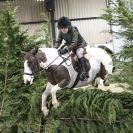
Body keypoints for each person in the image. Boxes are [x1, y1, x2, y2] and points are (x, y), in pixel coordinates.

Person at [54, 16, 88, 81]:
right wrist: (55, 49)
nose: (63, 30)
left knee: (79, 53)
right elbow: (58, 41)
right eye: (61, 28)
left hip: (79, 44)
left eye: (65, 28)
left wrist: (66, 49)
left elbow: (74, 43)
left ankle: (84, 72)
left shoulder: (74, 30)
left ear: (68, 26)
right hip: (69, 44)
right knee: (60, 51)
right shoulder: (61, 31)